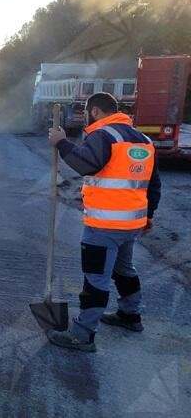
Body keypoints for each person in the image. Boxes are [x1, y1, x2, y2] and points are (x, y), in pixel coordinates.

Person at [46, 92, 161, 352]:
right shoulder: (143, 140)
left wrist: (61, 143)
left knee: (95, 279)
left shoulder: (104, 135)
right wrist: (149, 215)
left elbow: (85, 164)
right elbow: (153, 184)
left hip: (104, 225)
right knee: (124, 270)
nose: (86, 119)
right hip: (131, 224)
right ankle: (130, 315)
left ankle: (83, 334)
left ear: (95, 111)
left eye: (87, 114)